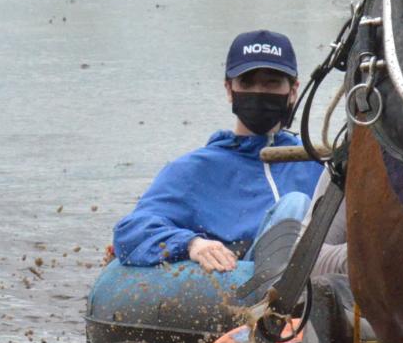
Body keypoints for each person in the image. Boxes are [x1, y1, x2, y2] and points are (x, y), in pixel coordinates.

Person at [111, 30, 323, 270]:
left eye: (271, 83)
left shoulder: (317, 165)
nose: (257, 91)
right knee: (294, 204)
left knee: (297, 205)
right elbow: (130, 231)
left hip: (316, 276)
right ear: (229, 89)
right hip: (237, 282)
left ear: (293, 90)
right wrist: (192, 244)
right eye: (247, 82)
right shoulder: (194, 170)